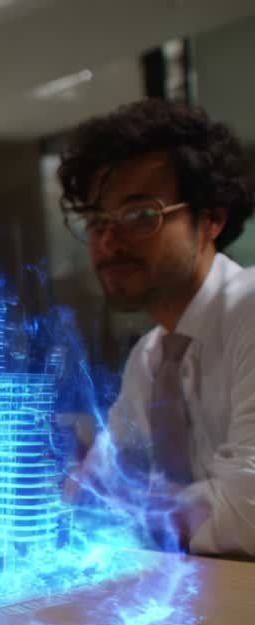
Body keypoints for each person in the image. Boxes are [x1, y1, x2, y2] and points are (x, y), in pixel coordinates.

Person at [60, 98, 255, 556]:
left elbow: (247, 512)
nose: (109, 240)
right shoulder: (150, 357)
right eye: (96, 220)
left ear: (211, 218)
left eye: (141, 214)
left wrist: (132, 509)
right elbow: (88, 494)